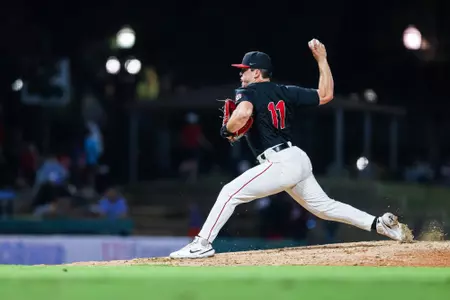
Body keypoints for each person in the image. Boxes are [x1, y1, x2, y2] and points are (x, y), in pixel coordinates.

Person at [169, 39, 412, 259]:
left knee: (230, 193)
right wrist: (322, 60)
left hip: (279, 162)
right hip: (297, 158)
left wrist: (228, 130)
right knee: (324, 207)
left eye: (244, 71)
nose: (241, 76)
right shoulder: (285, 91)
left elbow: (242, 113)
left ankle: (202, 243)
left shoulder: (248, 91)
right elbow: (326, 95)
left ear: (256, 72)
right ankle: (380, 224)